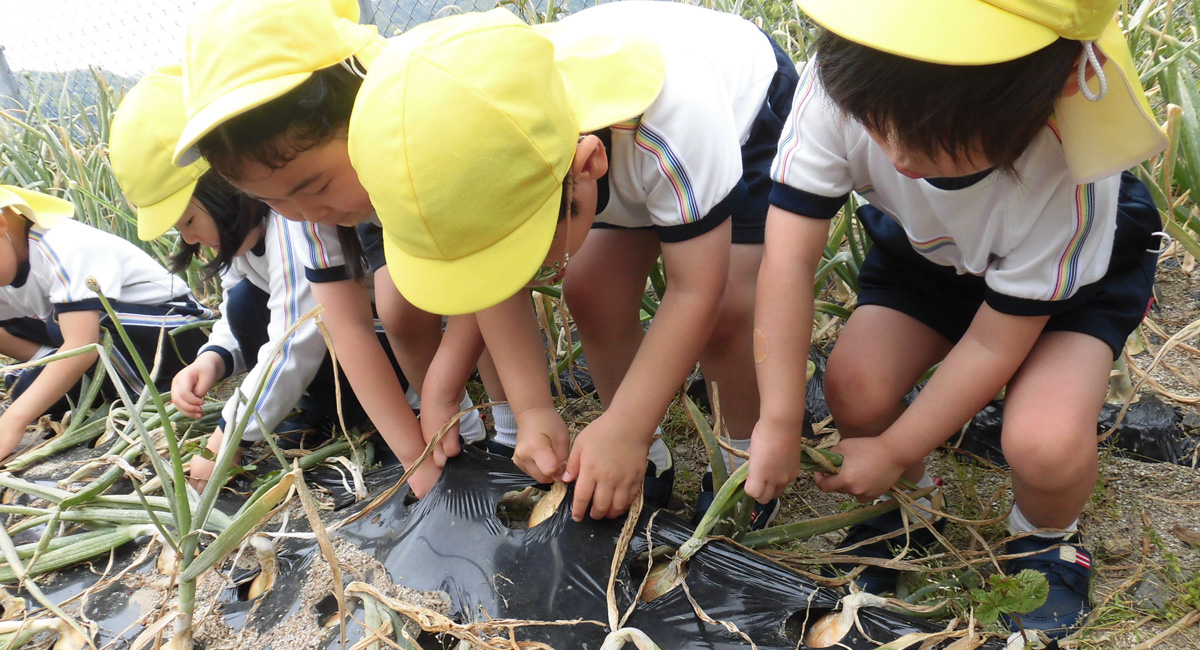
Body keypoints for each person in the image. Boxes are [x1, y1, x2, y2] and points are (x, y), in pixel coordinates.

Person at [750, 0, 1167, 639]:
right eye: (874, 125)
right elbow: (786, 261)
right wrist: (778, 417)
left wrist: (892, 447)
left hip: (1069, 286)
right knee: (855, 386)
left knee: (1044, 444)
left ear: (1047, 96)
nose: (896, 156)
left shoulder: (1071, 166)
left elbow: (994, 344)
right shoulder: (845, 85)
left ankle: (1046, 539)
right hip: (932, 253)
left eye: (934, 140)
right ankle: (913, 505)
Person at [344, 0, 799, 525]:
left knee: (727, 316)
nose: (525, 272)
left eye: (530, 254)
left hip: (743, 124)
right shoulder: (488, 147)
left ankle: (741, 461)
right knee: (593, 293)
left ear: (586, 168)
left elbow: (697, 289)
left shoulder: (675, 126)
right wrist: (533, 407)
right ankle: (643, 453)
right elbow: (498, 289)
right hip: (612, 155)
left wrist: (622, 427)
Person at [173, 0, 503, 496]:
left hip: (476, 218)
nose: (301, 214)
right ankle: (463, 441)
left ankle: (510, 424)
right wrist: (416, 458)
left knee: (425, 302)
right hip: (397, 223)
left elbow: (494, 282)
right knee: (397, 309)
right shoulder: (307, 205)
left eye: (317, 186)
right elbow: (346, 330)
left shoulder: (431, 139)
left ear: (363, 108)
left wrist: (445, 386)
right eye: (270, 200)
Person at [109, 66, 408, 484]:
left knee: (276, 319)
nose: (191, 238)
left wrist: (225, 441)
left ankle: (363, 413)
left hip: (388, 350)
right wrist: (212, 360)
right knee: (244, 301)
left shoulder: (294, 222)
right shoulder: (244, 245)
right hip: (348, 350)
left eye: (190, 220)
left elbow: (295, 337)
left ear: (224, 184)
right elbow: (242, 315)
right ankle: (323, 408)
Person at [0, 185, 214, 461]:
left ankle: (150, 398)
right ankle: (58, 366)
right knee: (31, 390)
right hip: (88, 338)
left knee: (80, 331)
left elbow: (83, 343)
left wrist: (14, 420)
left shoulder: (62, 244)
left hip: (170, 330)